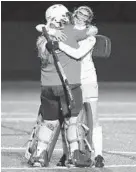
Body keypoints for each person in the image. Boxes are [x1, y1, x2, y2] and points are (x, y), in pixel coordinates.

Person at [25, 4, 93, 167]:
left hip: (47, 87)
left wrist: (49, 30)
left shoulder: (42, 39)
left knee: (49, 122)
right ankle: (75, 155)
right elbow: (92, 30)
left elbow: (40, 27)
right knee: (72, 121)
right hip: (68, 85)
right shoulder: (70, 31)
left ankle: (40, 155)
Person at [57, 6, 104, 168]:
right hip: (71, 79)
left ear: (89, 18)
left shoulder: (91, 35)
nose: (81, 17)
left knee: (94, 119)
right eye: (79, 14)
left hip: (88, 79)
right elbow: (45, 29)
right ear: (75, 14)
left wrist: (59, 45)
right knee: (69, 120)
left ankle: (98, 155)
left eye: (85, 15)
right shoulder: (66, 30)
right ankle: (68, 153)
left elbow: (78, 54)